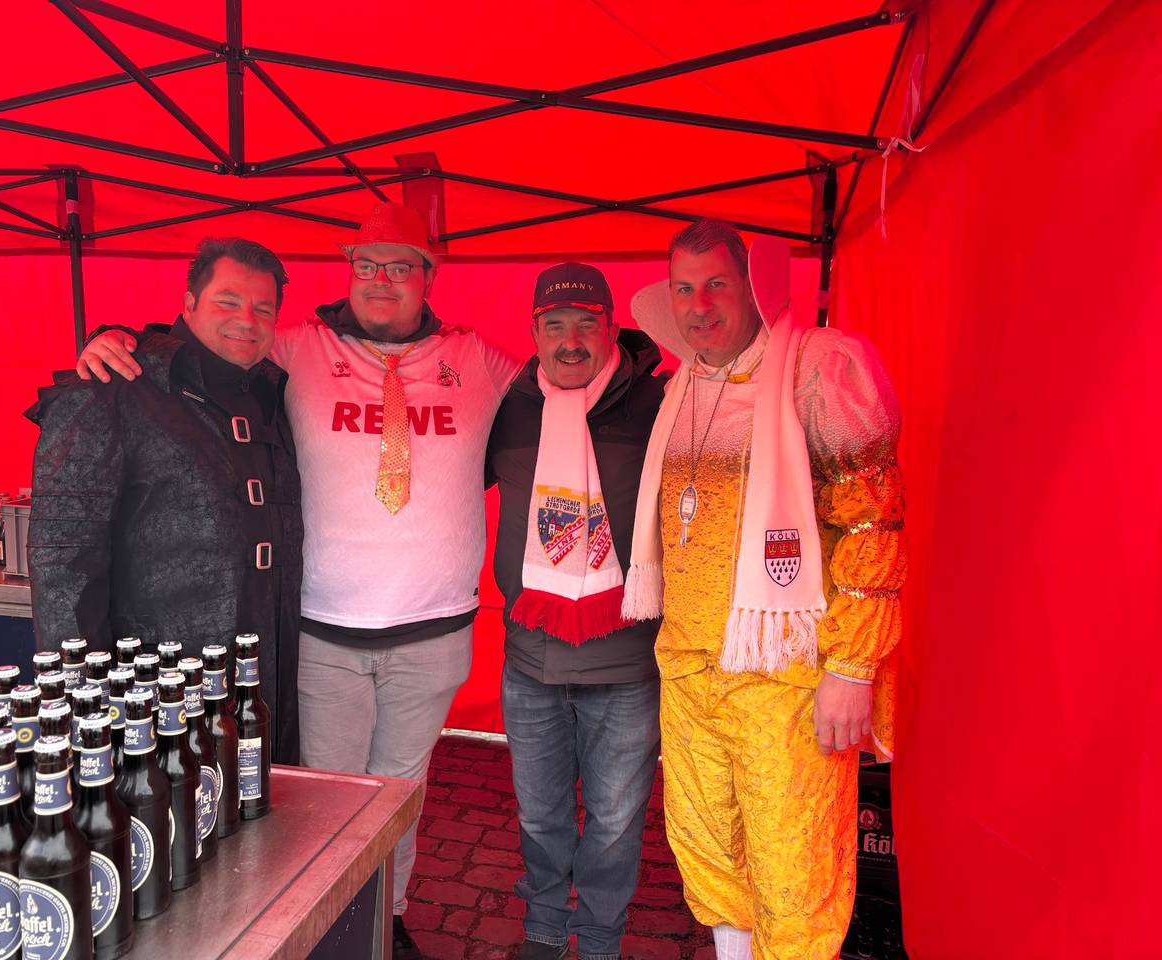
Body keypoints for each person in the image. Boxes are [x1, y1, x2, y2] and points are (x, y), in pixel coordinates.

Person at [76, 202, 522, 959]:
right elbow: (205, 348)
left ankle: (388, 918)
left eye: (401, 266)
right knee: (328, 799)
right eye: (367, 264)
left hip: (436, 630)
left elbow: (569, 383)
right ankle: (341, 927)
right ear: (348, 271)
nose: (381, 279)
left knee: (402, 790)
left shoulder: (477, 359)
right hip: (322, 631)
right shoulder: (293, 347)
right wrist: (117, 339)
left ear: (428, 277)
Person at [620, 221, 906, 960]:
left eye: (717, 284)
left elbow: (871, 524)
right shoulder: (682, 386)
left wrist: (852, 669)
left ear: (753, 287)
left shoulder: (817, 370)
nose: (699, 305)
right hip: (690, 668)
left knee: (794, 871)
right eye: (684, 288)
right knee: (711, 855)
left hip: (788, 680)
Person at [27, 238, 303, 764]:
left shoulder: (273, 393)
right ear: (189, 303)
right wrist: (84, 702)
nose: (246, 320)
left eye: (263, 308)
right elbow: (63, 563)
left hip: (262, 681)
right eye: (227, 301)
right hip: (155, 694)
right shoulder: (112, 386)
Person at [486, 263, 666, 960]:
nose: (570, 341)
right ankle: (541, 931)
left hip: (625, 662)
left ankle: (596, 940)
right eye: (554, 325)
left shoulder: (658, 406)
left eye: (587, 324)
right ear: (533, 332)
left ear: (612, 328)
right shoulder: (507, 405)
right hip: (531, 659)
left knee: (615, 823)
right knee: (541, 816)